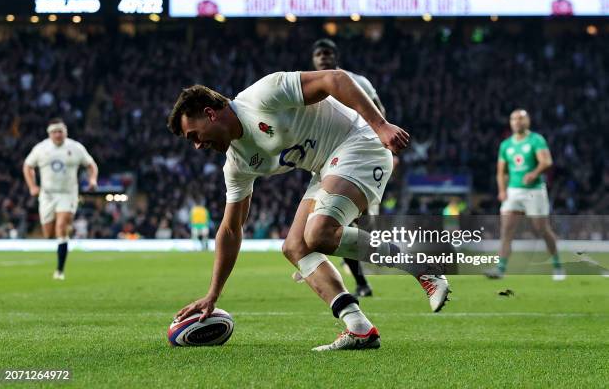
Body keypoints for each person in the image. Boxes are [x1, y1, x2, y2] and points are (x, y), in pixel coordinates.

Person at [169, 70, 450, 351]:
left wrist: (381, 125)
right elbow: (231, 229)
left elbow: (335, 79)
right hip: (327, 166)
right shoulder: (237, 163)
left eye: (194, 135)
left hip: (361, 141)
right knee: (295, 247)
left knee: (318, 233)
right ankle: (359, 328)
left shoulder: (262, 96)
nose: (197, 145)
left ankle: (422, 266)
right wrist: (213, 294)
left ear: (210, 113)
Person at [310, 38, 386, 297]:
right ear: (313, 59)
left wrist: (381, 139)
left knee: (363, 223)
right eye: (319, 54)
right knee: (337, 221)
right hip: (324, 158)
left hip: (356, 154)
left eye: (327, 53)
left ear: (336, 57)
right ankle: (361, 282)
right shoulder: (309, 85)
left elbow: (379, 111)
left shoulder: (357, 82)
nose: (323, 58)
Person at [486, 109, 565, 280]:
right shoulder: (506, 145)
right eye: (514, 119)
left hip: (534, 191)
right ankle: (500, 269)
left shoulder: (536, 140)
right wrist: (501, 190)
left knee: (541, 229)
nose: (517, 122)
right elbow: (501, 172)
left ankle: (558, 265)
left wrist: (534, 174)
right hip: (513, 191)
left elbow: (546, 161)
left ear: (527, 121)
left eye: (521, 119)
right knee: (506, 230)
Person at [23, 118, 98, 280]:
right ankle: (64, 232)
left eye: (60, 131)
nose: (58, 134)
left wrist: (93, 180)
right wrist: (32, 186)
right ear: (49, 133)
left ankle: (59, 271)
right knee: (48, 234)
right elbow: (27, 166)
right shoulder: (41, 148)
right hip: (47, 195)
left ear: (65, 132)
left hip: (68, 193)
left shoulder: (75, 148)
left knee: (61, 227)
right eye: (54, 132)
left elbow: (91, 164)